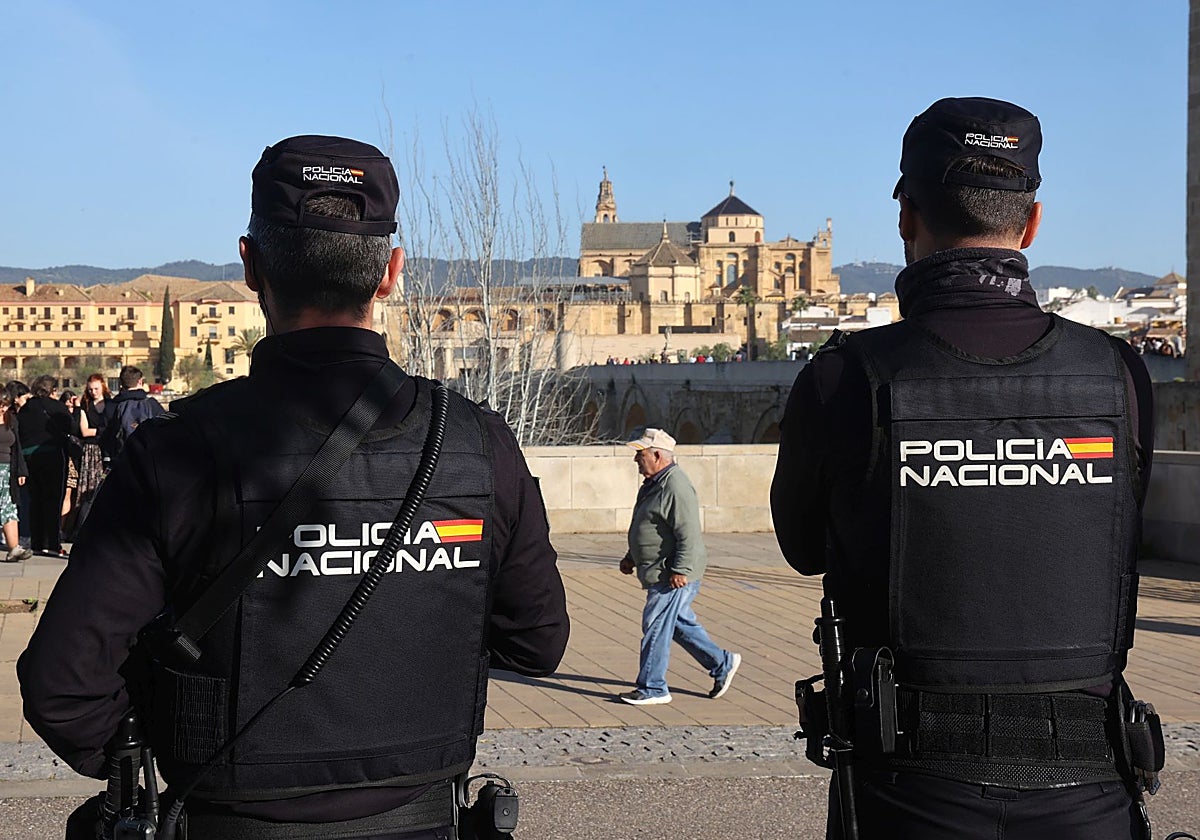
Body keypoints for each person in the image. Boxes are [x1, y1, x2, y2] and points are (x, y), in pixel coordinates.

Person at [19, 134, 570, 839]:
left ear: (251, 266)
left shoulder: (178, 452)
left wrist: (160, 758)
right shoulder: (476, 444)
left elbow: (63, 686)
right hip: (421, 820)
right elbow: (537, 644)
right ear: (392, 272)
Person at [771, 98, 1156, 839]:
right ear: (1032, 222)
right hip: (1089, 788)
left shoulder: (847, 378)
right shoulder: (1118, 376)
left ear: (906, 216)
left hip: (905, 791)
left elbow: (802, 548)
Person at [617, 427, 740, 705]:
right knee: (677, 624)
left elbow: (689, 533)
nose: (636, 459)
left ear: (658, 455)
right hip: (661, 569)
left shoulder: (675, 486)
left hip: (671, 573)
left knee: (656, 625)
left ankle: (653, 687)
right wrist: (631, 557)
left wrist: (681, 570)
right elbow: (649, 527)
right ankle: (722, 663)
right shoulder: (654, 484)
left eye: (641, 454)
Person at [17, 375, 70, 558]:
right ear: (53, 390)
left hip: (30, 458)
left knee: (35, 500)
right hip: (52, 455)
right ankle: (53, 543)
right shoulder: (58, 408)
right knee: (53, 499)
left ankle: (37, 541)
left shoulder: (25, 409)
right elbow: (70, 428)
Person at [100, 365, 163, 465]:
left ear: (121, 383)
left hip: (122, 461)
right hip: (149, 460)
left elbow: (105, 436)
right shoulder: (152, 404)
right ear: (140, 381)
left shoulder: (112, 406)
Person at [0, 394, 31, 562]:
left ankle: (14, 547)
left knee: (9, 507)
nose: (3, 409)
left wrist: (21, 470)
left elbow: (17, 446)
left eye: (4, 405)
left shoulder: (11, 419)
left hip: (8, 470)